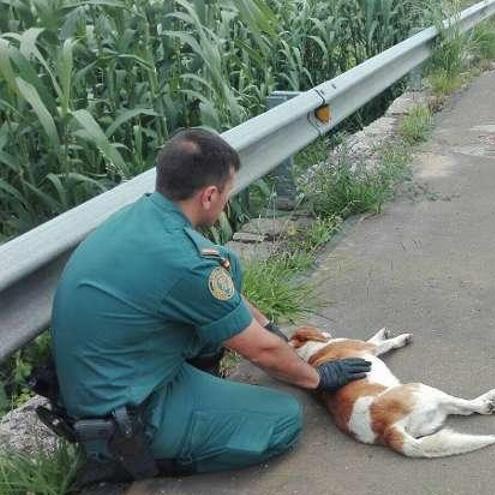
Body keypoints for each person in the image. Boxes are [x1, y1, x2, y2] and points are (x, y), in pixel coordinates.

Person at [50, 128, 371, 481]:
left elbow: (220, 291)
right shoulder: (183, 261)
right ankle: (133, 459)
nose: (227, 203)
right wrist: (316, 378)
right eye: (227, 194)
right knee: (283, 419)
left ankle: (192, 405)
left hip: (112, 375)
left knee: (227, 267)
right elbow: (262, 353)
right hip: (127, 413)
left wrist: (271, 331)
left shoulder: (141, 216)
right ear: (209, 196)